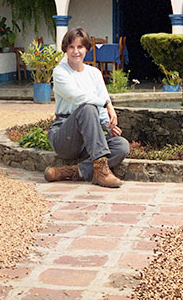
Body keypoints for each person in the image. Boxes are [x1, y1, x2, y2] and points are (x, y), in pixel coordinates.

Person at [46, 27, 129, 188]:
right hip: (64, 135)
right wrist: (107, 103)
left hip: (88, 139)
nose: (75, 51)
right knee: (87, 108)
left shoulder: (94, 73)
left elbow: (101, 100)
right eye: (71, 47)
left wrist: (108, 125)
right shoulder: (60, 72)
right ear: (65, 49)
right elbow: (78, 97)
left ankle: (69, 172)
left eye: (80, 47)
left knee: (121, 146)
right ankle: (101, 172)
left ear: (86, 49)